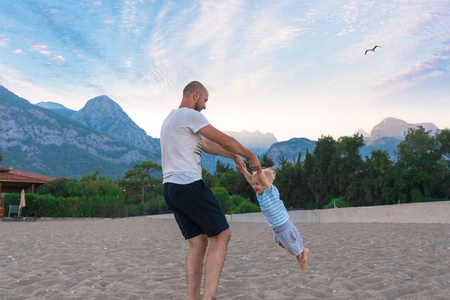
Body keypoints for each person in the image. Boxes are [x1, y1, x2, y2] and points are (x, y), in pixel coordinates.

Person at [160, 81, 262, 300]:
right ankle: (210, 297)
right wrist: (249, 154)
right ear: (195, 95)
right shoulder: (189, 114)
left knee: (198, 242)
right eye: (205, 100)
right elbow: (224, 139)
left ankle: (193, 298)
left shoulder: (171, 119)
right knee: (222, 235)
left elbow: (205, 145)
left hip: (170, 189)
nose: (205, 106)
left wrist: (233, 156)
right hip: (188, 184)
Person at [237, 165, 310, 270]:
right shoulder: (260, 194)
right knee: (283, 245)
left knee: (293, 248)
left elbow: (262, 178)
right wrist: (244, 170)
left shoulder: (270, 191)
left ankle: (301, 260)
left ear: (265, 182)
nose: (254, 186)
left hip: (284, 226)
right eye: (253, 184)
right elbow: (251, 180)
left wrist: (259, 170)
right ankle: (304, 249)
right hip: (277, 228)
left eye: (257, 184)